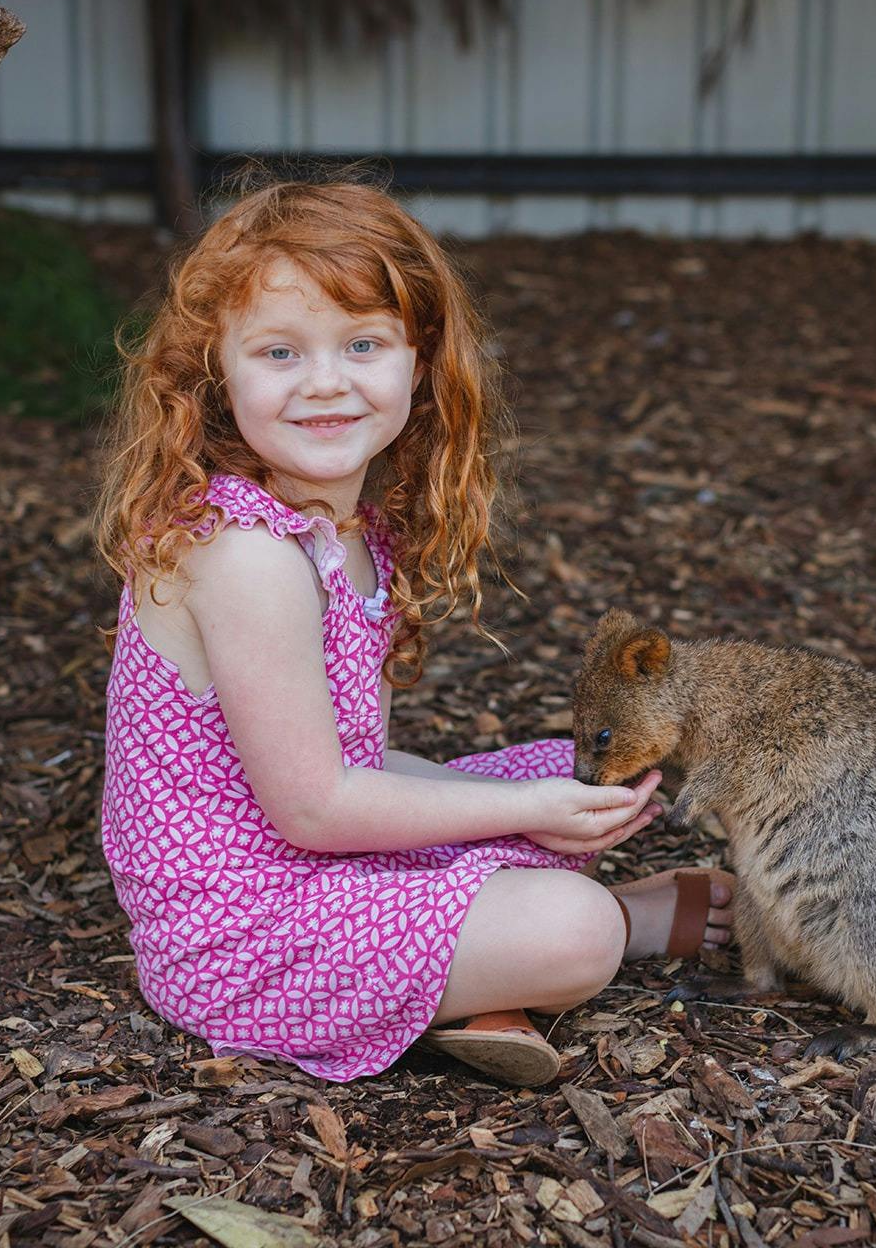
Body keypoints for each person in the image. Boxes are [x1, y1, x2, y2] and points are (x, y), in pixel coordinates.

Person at [93, 176, 733, 1087]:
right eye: (279, 352)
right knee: (572, 925)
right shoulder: (247, 560)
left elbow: (367, 762)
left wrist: (547, 810)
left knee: (571, 773)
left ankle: (466, 971)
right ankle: (618, 924)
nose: (325, 383)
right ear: (215, 372)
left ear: (419, 360)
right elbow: (316, 806)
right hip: (243, 940)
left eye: (362, 344)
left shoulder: (352, 531)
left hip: (323, 864)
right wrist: (520, 821)